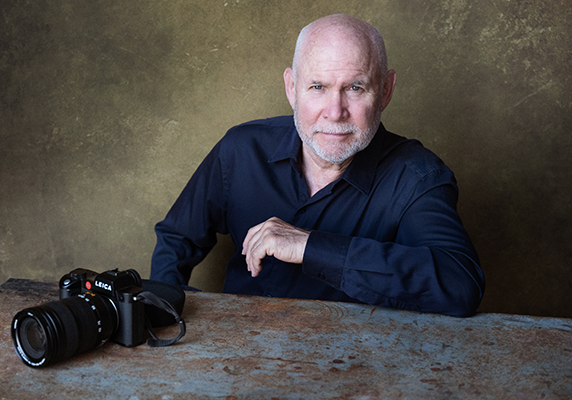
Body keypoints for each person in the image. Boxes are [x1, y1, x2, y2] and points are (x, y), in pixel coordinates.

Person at [151, 14, 484, 317]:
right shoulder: (241, 149)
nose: (335, 112)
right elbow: (177, 236)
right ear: (292, 88)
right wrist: (167, 308)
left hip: (354, 357)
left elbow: (460, 285)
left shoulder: (417, 177)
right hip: (237, 348)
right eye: (318, 87)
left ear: (385, 91)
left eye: (355, 88)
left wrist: (309, 246)